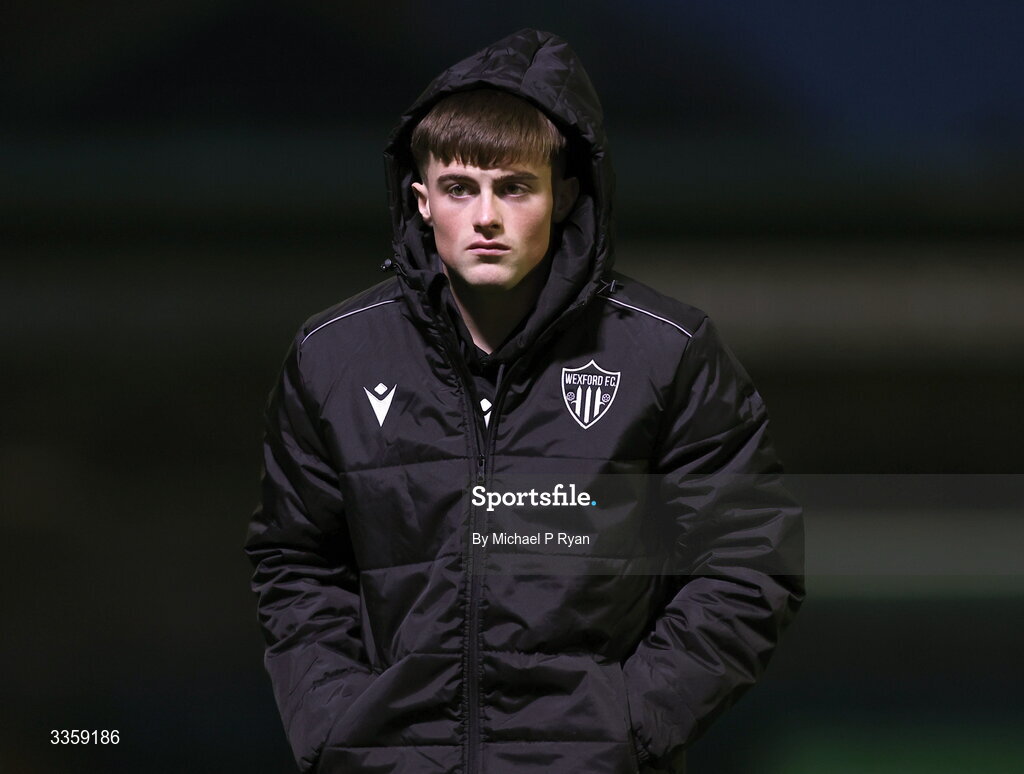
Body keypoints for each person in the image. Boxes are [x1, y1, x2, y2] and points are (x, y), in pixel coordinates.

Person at [244, 28, 804, 774]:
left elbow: (750, 562)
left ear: (564, 194)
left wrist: (630, 725)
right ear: (420, 200)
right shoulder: (335, 355)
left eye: (513, 187)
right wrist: (338, 723)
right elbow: (294, 561)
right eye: (459, 188)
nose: (485, 217)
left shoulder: (667, 354)